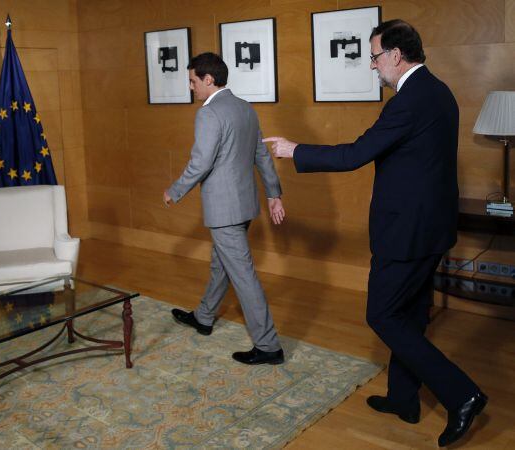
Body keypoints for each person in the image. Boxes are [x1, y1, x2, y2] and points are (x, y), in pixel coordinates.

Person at [263, 20, 486, 447]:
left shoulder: (407, 101)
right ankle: (404, 399)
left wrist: (296, 151)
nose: (372, 66)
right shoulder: (439, 91)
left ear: (396, 56)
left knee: (382, 315)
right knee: (411, 315)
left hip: (405, 232)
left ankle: (463, 394)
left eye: (375, 56)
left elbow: (355, 154)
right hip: (432, 228)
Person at [163, 52, 286, 365]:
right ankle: (204, 317)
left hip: (224, 209)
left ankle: (269, 346)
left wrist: (175, 190)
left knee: (242, 275)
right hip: (245, 205)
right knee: (222, 264)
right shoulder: (245, 108)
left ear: (208, 79)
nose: (191, 87)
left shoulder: (208, 114)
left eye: (193, 81)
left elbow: (200, 162)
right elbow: (261, 155)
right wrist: (273, 192)